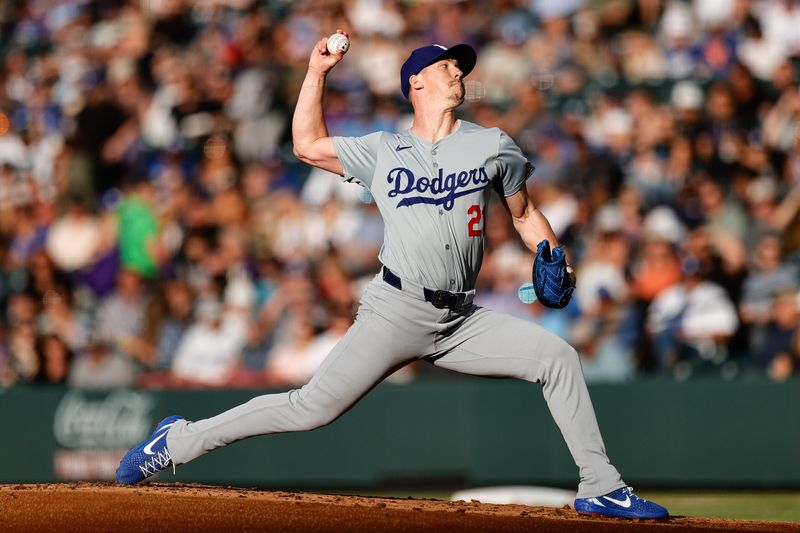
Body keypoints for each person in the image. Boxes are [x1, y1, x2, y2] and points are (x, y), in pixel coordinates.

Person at [116, 32, 668, 520]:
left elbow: (524, 215)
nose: (458, 72)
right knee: (311, 409)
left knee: (558, 358)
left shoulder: (493, 143)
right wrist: (316, 73)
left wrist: (551, 248)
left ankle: (601, 485)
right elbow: (306, 145)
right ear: (417, 83)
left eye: (460, 66)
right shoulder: (384, 150)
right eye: (447, 65)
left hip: (461, 319)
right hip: (396, 308)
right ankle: (178, 441)